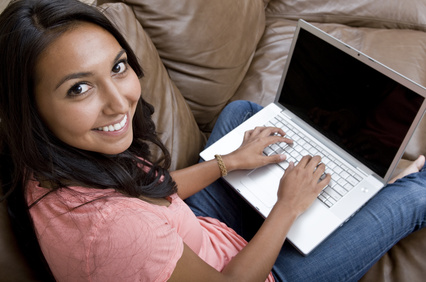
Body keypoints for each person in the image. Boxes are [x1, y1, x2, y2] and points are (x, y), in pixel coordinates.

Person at [0, 0, 424, 281]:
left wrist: (231, 162)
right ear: (28, 107)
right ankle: (375, 190)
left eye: (117, 67)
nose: (120, 103)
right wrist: (287, 206)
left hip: (196, 233)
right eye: (79, 89)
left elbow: (150, 192)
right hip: (254, 273)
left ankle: (348, 187)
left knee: (241, 115)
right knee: (416, 195)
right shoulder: (118, 234)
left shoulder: (50, 162)